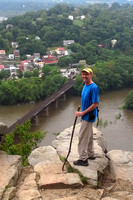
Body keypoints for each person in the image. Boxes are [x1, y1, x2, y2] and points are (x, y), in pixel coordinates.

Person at [73, 68, 99, 166]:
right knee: (89, 135)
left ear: (91, 75)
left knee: (82, 137)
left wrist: (82, 113)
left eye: (86, 74)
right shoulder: (85, 85)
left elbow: (95, 104)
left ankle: (83, 159)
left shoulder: (93, 87)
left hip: (88, 116)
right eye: (83, 74)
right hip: (86, 115)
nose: (84, 76)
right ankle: (90, 154)